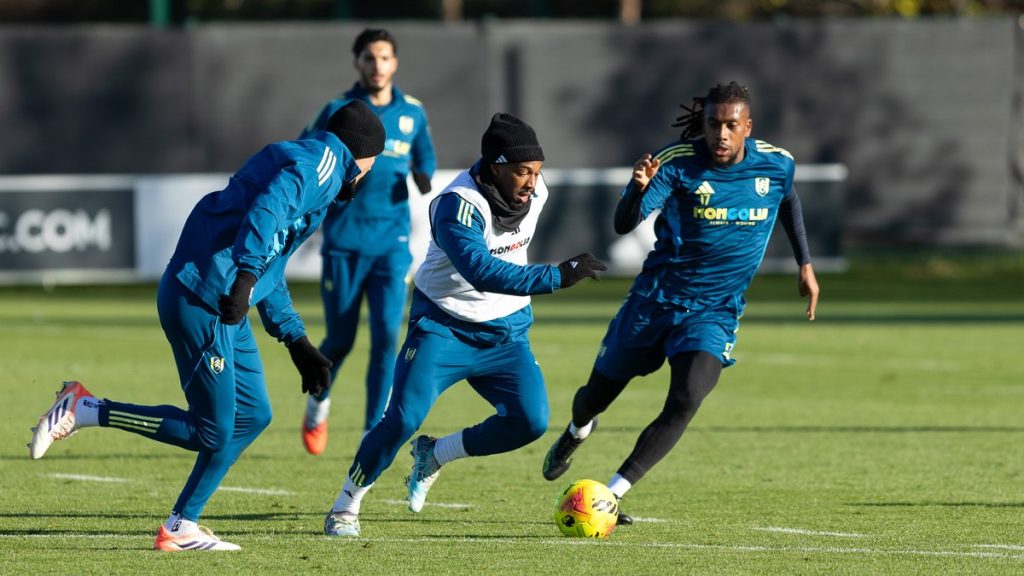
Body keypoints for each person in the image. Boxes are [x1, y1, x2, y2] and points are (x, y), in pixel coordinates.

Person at [27, 101, 385, 552]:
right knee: (212, 431)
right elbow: (268, 214)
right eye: (374, 164)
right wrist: (246, 276)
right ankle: (86, 408)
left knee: (254, 416)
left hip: (222, 297)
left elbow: (271, 258)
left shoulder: (314, 162)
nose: (370, 174)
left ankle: (181, 526)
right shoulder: (324, 166)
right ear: (364, 155)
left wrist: (295, 340)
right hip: (202, 296)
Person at [541, 81, 820, 524]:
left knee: (689, 395)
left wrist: (805, 263)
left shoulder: (777, 164)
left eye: (731, 125)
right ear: (704, 125)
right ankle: (577, 431)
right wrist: (635, 189)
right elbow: (622, 223)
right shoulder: (675, 163)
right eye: (713, 124)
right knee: (595, 397)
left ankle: (612, 494)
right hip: (655, 301)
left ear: (748, 126)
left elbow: (787, 199)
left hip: (714, 310)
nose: (721, 134)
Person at [321, 113, 607, 537]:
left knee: (530, 421)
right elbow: (481, 270)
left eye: (537, 171)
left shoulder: (536, 191)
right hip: (443, 328)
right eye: (522, 171)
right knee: (401, 419)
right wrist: (559, 275)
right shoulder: (458, 205)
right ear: (495, 165)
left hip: (506, 332)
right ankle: (345, 506)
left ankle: (435, 454)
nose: (532, 182)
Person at [298, 28, 437, 455]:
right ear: (357, 62)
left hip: (391, 245)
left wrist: (422, 174)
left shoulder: (412, 112)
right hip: (343, 243)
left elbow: (425, 157)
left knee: (385, 339)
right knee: (339, 340)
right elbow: (307, 152)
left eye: (385, 58)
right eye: (370, 58)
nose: (378, 65)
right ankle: (318, 402)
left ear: (395, 63)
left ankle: (371, 432)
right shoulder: (338, 110)